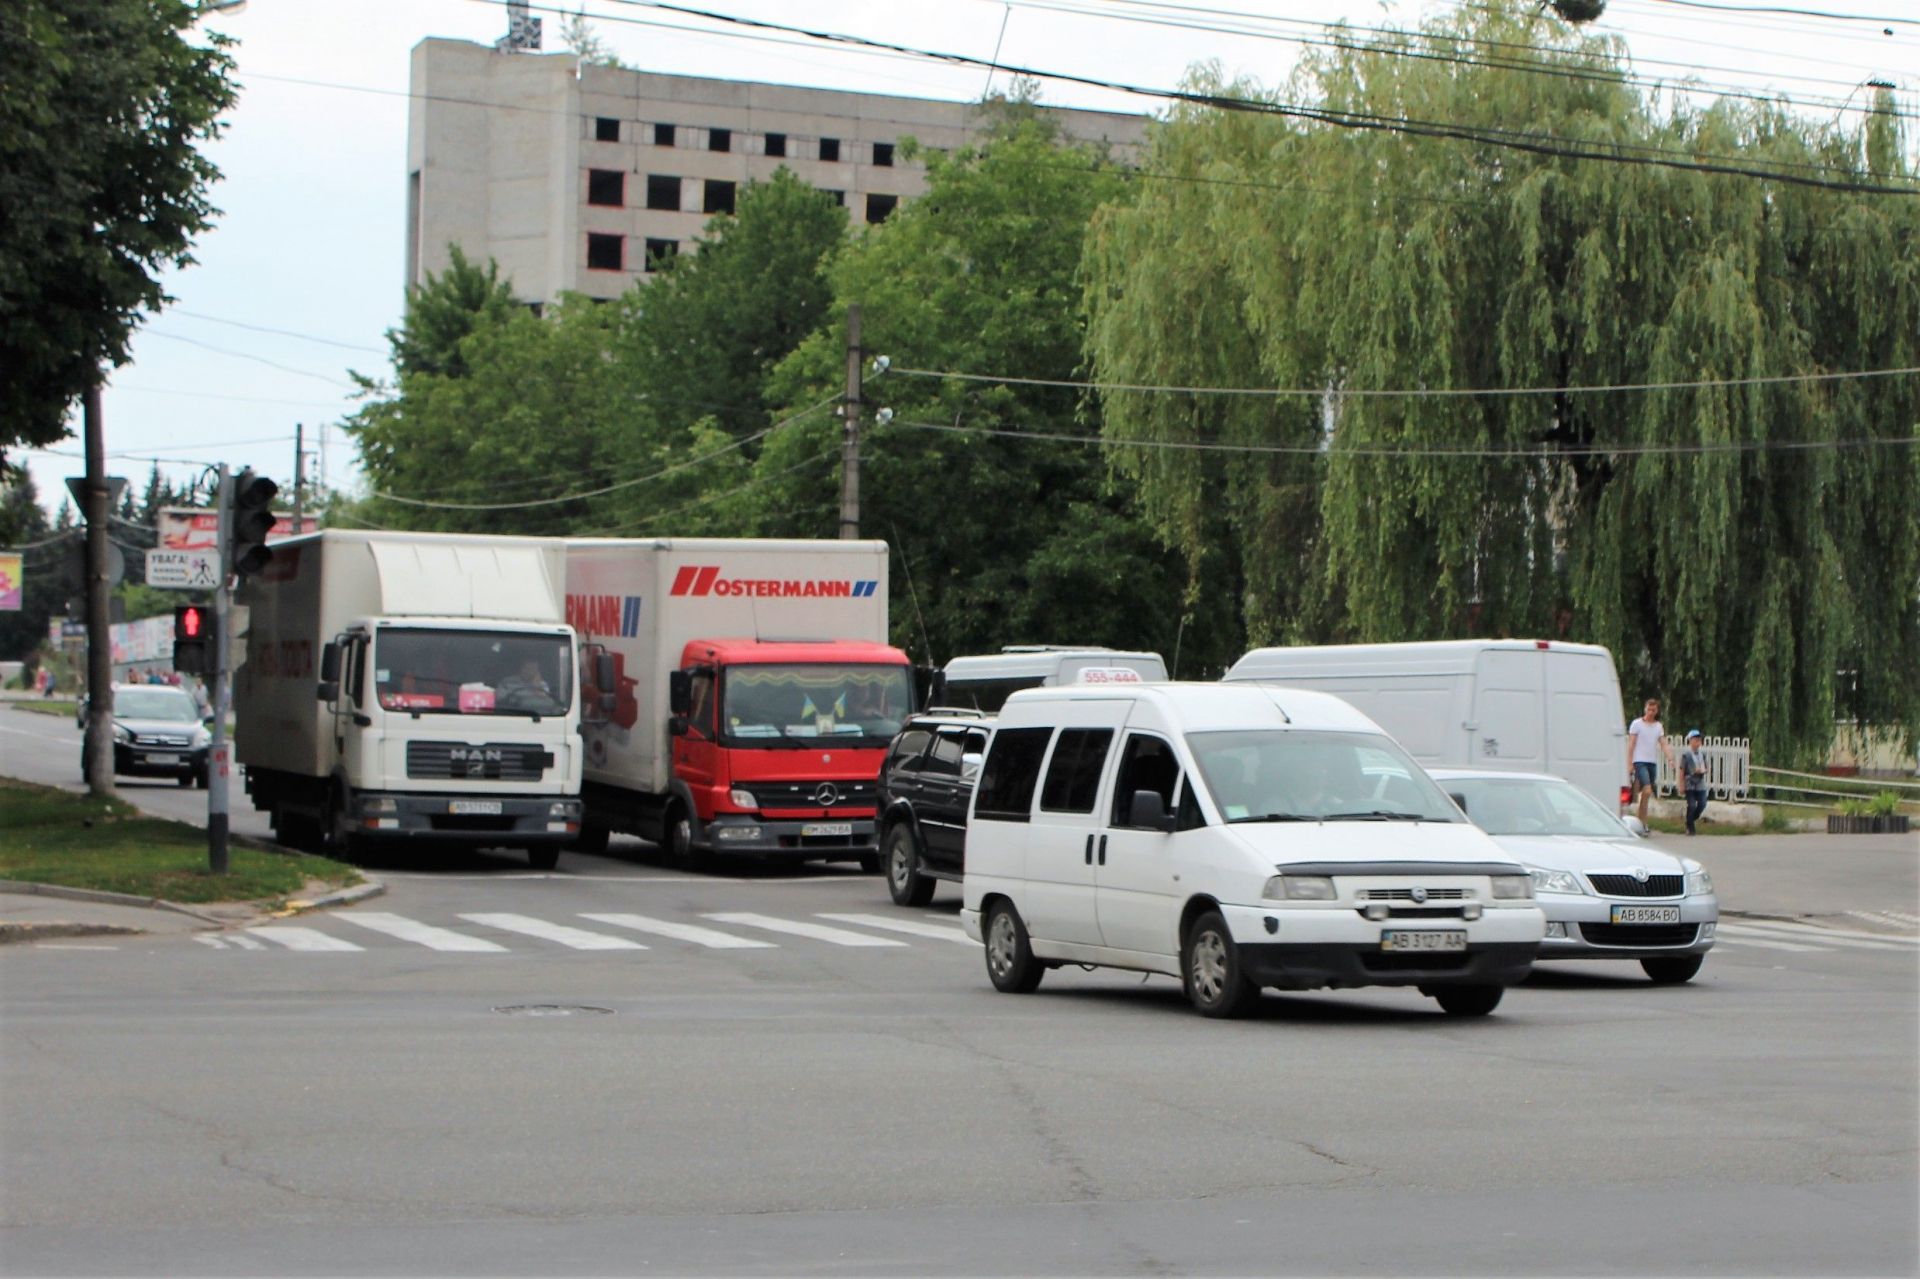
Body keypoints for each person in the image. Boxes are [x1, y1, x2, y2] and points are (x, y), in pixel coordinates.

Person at [1626, 697, 1676, 825]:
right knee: (1647, 790)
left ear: (1657, 711)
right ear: (1645, 709)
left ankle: (1641, 820)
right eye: (1649, 709)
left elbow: (1663, 743)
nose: (1651, 712)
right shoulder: (1636, 724)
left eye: (1653, 710)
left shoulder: (1658, 726)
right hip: (1639, 761)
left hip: (1651, 762)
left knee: (1646, 793)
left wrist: (1670, 758)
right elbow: (1631, 744)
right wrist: (1629, 762)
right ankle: (1643, 821)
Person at [1680, 729, 1710, 836]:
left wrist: (1704, 770)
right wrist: (1681, 784)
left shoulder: (1702, 754)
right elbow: (1682, 770)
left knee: (1702, 803)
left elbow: (1706, 767)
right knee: (1691, 805)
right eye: (1696, 739)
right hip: (1690, 783)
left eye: (1699, 740)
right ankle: (1690, 827)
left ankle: (1690, 820)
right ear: (1690, 741)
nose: (1698, 742)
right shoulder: (1686, 755)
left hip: (1700, 782)